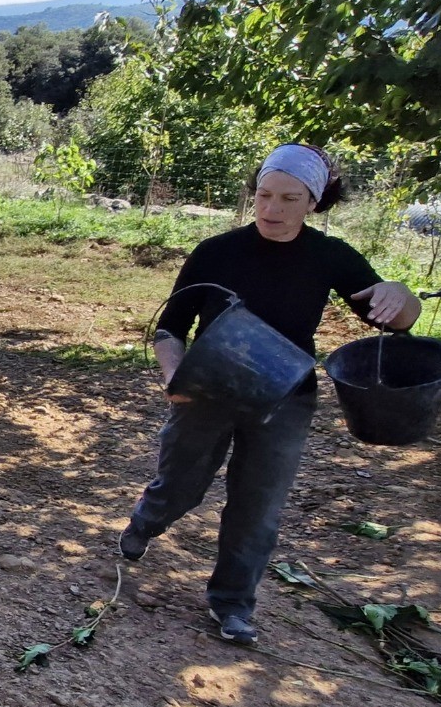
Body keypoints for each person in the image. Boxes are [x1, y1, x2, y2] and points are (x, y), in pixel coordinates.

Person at [119, 143, 419, 645]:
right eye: (264, 195)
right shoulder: (216, 252)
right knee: (183, 483)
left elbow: (396, 320)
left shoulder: (331, 256)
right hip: (209, 388)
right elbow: (171, 327)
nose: (271, 209)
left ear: (313, 203)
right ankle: (146, 522)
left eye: (288, 198)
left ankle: (233, 603)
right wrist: (173, 375)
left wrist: (401, 295)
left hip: (286, 396)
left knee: (258, 506)